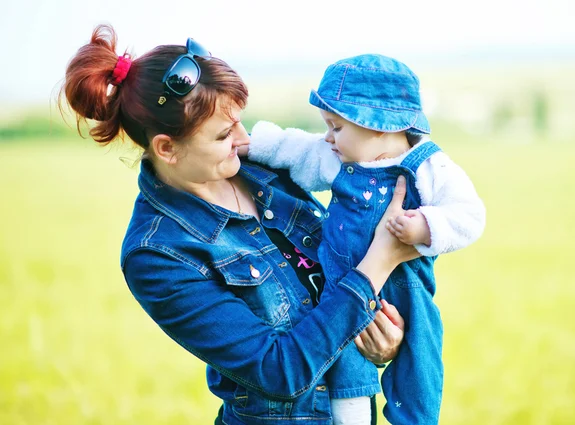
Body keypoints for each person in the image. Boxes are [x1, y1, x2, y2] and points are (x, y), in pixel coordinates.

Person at [60, 26, 421, 425]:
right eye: (222, 134)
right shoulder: (156, 254)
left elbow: (336, 270)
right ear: (167, 148)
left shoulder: (264, 169)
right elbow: (279, 370)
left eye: (238, 121)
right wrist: (380, 262)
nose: (243, 137)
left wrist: (381, 338)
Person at [245, 54, 486, 424]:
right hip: (345, 286)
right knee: (346, 363)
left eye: (336, 127)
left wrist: (423, 226)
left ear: (375, 125)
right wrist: (251, 145)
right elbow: (296, 149)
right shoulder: (339, 158)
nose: (328, 137)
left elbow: (469, 215)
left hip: (406, 289)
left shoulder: (428, 165)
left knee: (420, 359)